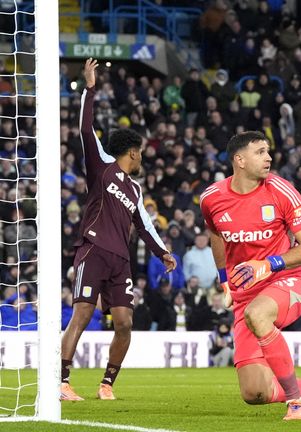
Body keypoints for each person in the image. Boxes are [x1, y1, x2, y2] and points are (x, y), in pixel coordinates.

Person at [199, 131, 301, 420]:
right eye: (260, 152)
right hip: (245, 292)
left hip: (287, 279)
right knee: (254, 393)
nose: (269, 157)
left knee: (259, 315)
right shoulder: (211, 198)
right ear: (240, 160)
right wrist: (224, 280)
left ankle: (296, 404)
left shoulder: (282, 191)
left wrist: (269, 264)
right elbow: (216, 234)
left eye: (268, 151)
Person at [60, 59, 177, 402]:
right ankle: (62, 382)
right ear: (133, 152)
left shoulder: (136, 190)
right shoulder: (102, 167)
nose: (141, 159)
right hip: (93, 250)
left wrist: (164, 252)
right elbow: (85, 130)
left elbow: (145, 225)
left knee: (125, 323)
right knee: (81, 313)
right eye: (140, 154)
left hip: (119, 261)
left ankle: (107, 384)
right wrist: (90, 88)